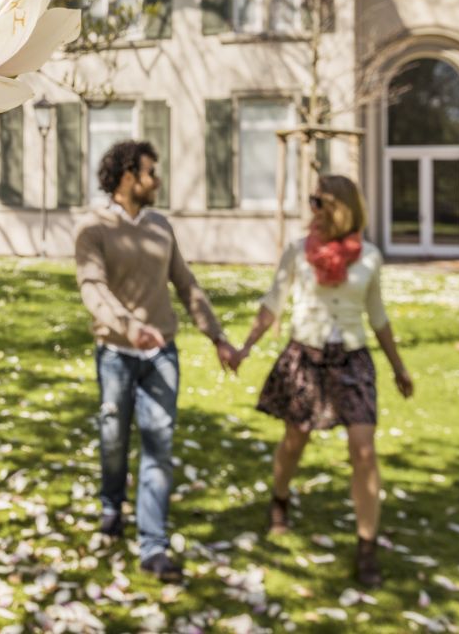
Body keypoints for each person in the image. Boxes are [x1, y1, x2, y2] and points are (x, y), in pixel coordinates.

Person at [234, 174, 413, 588]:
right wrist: (245, 346)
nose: (313, 209)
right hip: (306, 356)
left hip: (352, 360)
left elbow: (378, 316)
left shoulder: (369, 257)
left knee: (363, 450)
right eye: (312, 201)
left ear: (343, 207)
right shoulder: (297, 252)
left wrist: (398, 367)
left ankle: (366, 546)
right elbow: (272, 303)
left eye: (320, 202)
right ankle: (279, 498)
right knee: (295, 438)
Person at [73, 139, 239, 583]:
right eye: (151, 172)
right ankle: (112, 506)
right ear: (128, 177)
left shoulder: (161, 226)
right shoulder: (94, 227)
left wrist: (217, 337)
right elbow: (92, 287)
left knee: (159, 446)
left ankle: (153, 545)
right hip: (115, 354)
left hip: (161, 354)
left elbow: (187, 285)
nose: (157, 179)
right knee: (113, 440)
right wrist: (127, 325)